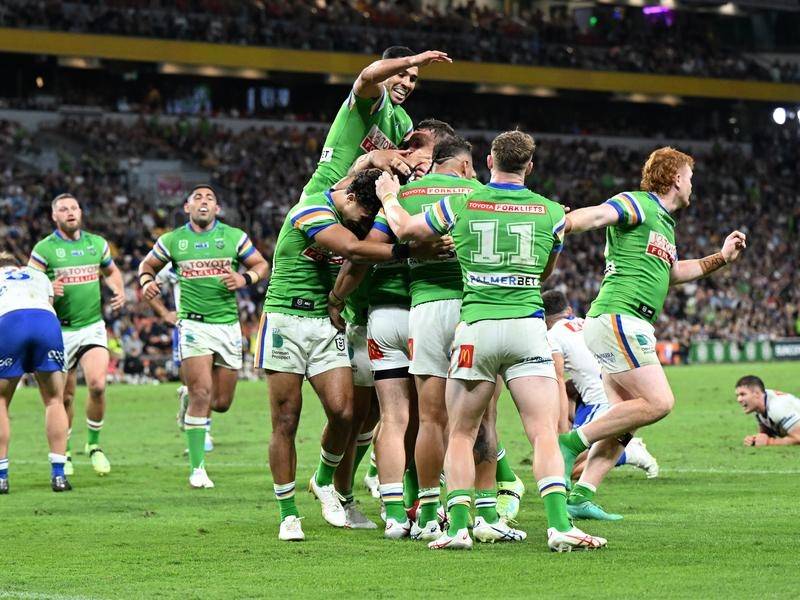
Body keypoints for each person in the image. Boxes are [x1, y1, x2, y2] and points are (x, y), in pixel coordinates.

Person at [373, 130, 606, 551]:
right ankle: (557, 525)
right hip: (526, 327)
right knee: (543, 434)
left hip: (476, 327)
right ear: (529, 166)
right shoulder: (550, 211)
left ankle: (458, 528)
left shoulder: (463, 202)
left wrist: (390, 194)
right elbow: (545, 275)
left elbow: (405, 229)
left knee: (459, 433)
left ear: (490, 160)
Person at [557, 147, 747, 529]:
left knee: (624, 421)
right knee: (659, 402)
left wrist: (721, 258)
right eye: (690, 177)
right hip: (619, 318)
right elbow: (597, 214)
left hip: (628, 323)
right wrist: (564, 221)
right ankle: (570, 443)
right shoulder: (638, 203)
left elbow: (674, 273)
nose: (693, 184)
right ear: (676, 178)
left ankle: (582, 496)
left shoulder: (664, 223)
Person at [256, 169, 405, 542]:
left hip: (326, 323)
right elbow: (353, 250)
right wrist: (405, 249)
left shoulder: (356, 217)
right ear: (350, 199)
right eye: (362, 218)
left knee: (344, 411)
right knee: (286, 420)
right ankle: (288, 514)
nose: (364, 226)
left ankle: (323, 480)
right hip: (285, 320)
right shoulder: (310, 210)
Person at [138, 185, 269, 489]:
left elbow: (261, 265)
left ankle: (187, 399)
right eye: (197, 197)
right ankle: (197, 469)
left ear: (217, 209)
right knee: (202, 393)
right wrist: (147, 282)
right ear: (187, 208)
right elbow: (147, 266)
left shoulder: (235, 237)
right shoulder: (172, 240)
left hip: (227, 326)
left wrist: (244, 277)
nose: (204, 202)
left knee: (221, 402)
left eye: (209, 198)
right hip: (194, 325)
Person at [29, 193, 125, 476]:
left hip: (91, 326)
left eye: (73, 207)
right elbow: (29, 284)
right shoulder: (44, 249)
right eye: (63, 209)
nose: (70, 212)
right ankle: (65, 451)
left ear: (80, 212)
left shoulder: (96, 244)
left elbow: (112, 272)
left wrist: (118, 290)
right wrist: (47, 286)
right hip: (58, 330)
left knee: (97, 384)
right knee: (66, 396)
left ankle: (94, 446)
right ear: (54, 216)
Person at [542, 289, 659, 521]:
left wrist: (562, 432)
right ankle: (581, 496)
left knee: (559, 463)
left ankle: (629, 452)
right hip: (616, 393)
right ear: (569, 310)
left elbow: (555, 380)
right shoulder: (590, 322)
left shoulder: (552, 335)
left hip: (599, 403)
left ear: (545, 320)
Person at [302, 47, 451, 198]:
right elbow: (367, 76)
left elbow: (406, 160)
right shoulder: (375, 96)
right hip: (322, 194)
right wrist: (412, 61)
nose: (407, 84)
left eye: (412, 79)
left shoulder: (405, 122)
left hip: (355, 204)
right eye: (401, 74)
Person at [0, 252, 71, 493]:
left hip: (10, 322)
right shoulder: (37, 275)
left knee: (0, 400)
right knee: (54, 399)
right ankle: (59, 475)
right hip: (45, 322)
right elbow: (49, 304)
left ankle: (1, 476)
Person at [734, 375, 800, 446]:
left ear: (756, 393)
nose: (739, 399)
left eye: (743, 394)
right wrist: (755, 440)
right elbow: (766, 433)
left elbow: (799, 438)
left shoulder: (776, 407)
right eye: (737, 395)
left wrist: (770, 442)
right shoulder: (760, 405)